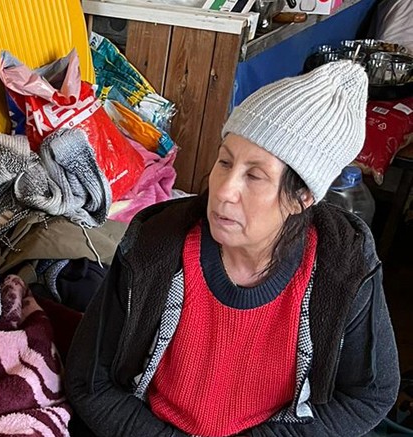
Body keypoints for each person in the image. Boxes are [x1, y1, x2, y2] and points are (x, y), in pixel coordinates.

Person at [65, 61, 400, 436]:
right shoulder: (155, 244)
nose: (224, 190)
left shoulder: (342, 267)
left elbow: (369, 396)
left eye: (254, 175)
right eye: (225, 162)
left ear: (302, 197)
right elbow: (89, 380)